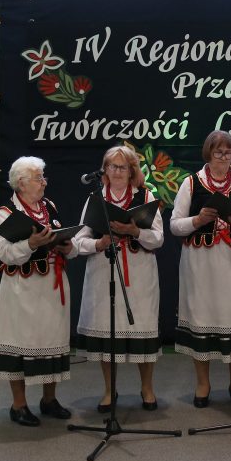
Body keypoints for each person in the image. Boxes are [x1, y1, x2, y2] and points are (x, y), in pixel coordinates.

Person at [0, 157, 76, 426]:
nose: (44, 182)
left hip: (52, 286)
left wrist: (67, 246)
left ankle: (49, 399)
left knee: (52, 339)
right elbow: (3, 253)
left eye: (43, 176)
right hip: (21, 289)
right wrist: (31, 244)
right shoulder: (5, 213)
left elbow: (65, 243)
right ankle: (19, 405)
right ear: (21, 183)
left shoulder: (49, 207)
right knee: (19, 343)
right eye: (38, 178)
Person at [73, 145, 164, 411]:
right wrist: (98, 243)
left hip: (139, 273)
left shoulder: (145, 196)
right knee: (108, 331)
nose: (117, 172)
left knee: (142, 330)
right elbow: (78, 241)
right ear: (105, 170)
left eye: (123, 167)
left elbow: (158, 239)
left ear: (132, 171)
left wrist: (135, 231)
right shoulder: (95, 198)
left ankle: (147, 388)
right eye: (112, 166)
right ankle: (109, 389)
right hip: (105, 273)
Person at [169, 130, 231, 408]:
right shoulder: (192, 182)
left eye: (228, 152)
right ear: (208, 153)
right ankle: (203, 383)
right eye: (218, 152)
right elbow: (175, 225)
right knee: (202, 317)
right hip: (201, 263)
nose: (224, 157)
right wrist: (198, 220)